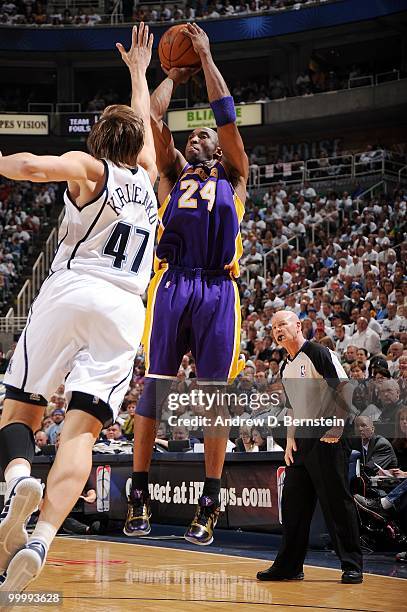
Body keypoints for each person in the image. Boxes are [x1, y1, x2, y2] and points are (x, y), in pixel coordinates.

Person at [0, 23, 157, 593]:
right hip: (125, 312)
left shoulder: (93, 170)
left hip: (73, 290)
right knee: (82, 433)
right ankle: (40, 538)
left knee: (21, 404)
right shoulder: (151, 180)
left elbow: (35, 168)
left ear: (98, 143)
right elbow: (144, 132)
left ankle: (18, 476)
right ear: (138, 145)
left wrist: (1, 161)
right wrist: (140, 73)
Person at [124, 22, 249, 546]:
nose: (198, 138)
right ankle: (138, 490)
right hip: (172, 285)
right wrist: (172, 73)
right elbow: (151, 118)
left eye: (205, 137)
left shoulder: (237, 174)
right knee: (154, 388)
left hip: (218, 290)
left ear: (217, 149)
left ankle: (212, 497)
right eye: (190, 135)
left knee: (214, 398)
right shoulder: (173, 174)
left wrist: (207, 55)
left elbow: (226, 115)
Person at [257, 311, 363, 584]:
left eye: (282, 324)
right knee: (293, 504)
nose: (277, 330)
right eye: (273, 327)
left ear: (298, 325)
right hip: (302, 441)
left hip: (328, 435)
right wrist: (290, 439)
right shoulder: (285, 366)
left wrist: (338, 426)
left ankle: (352, 564)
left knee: (336, 502)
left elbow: (344, 387)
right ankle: (289, 566)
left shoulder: (317, 352)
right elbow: (293, 407)